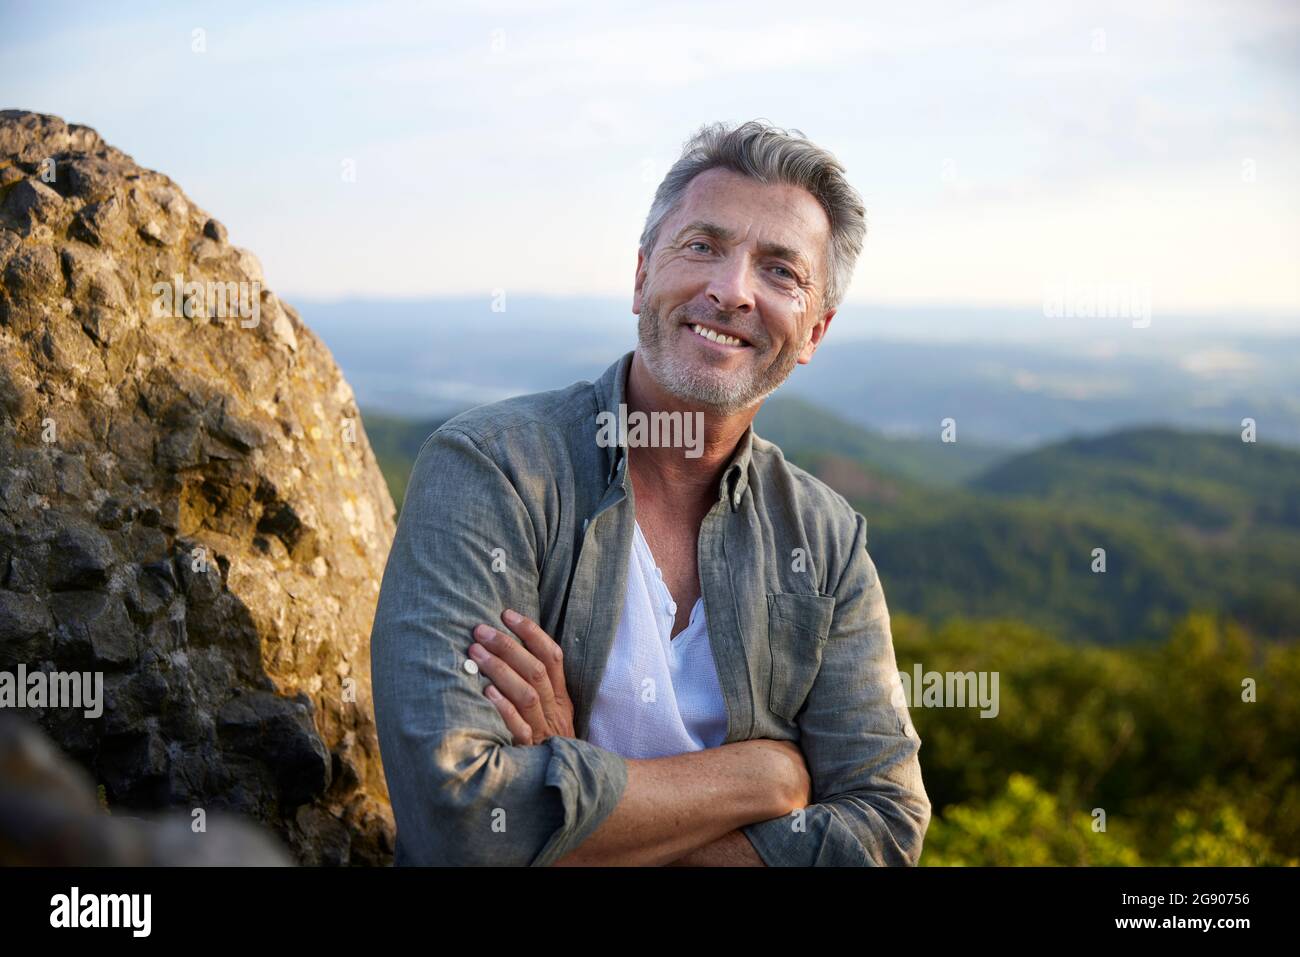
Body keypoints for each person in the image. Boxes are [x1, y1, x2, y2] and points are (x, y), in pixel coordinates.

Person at [370, 119, 931, 866]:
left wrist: (576, 793)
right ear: (641, 276)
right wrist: (760, 776)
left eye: (779, 271)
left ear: (814, 333)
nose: (730, 290)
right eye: (702, 246)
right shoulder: (492, 470)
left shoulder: (825, 542)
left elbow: (886, 830)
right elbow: (460, 825)